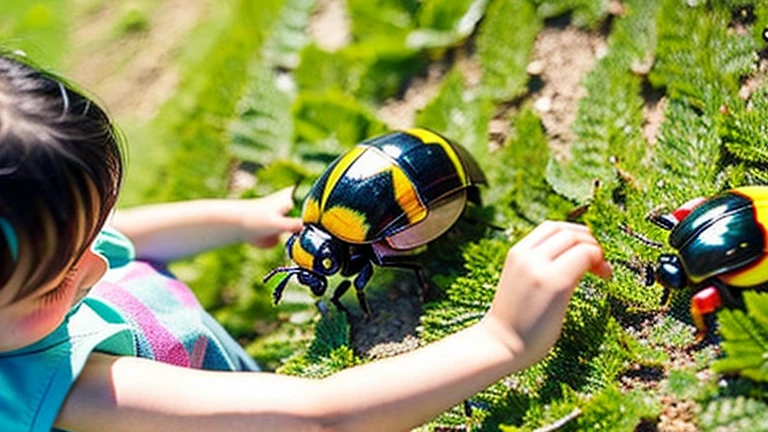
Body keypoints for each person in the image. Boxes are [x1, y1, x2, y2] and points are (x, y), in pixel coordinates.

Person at [0, 52, 612, 432]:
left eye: (93, 230)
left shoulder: (33, 250)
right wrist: (501, 338)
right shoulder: (79, 392)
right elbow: (320, 417)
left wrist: (237, 218)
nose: (99, 264)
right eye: (55, 282)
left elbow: (132, 229)